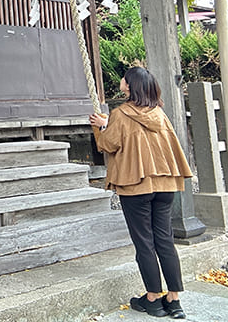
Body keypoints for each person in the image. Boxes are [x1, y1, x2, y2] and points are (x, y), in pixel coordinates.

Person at [89, 66, 192, 319]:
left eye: (124, 78)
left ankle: (153, 299)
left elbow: (108, 144)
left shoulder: (121, 113)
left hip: (136, 187)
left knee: (144, 242)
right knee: (165, 240)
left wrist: (100, 127)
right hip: (165, 185)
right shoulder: (159, 113)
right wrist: (108, 123)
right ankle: (174, 300)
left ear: (130, 86)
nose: (121, 80)